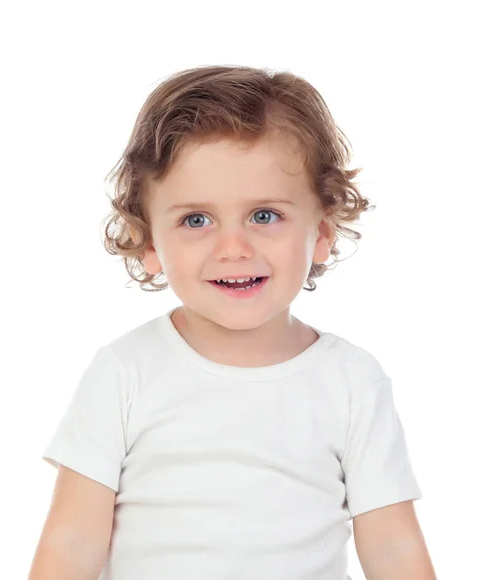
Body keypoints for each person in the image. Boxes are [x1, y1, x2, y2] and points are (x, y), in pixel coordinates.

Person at [28, 65, 437, 580]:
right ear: (150, 243)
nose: (234, 249)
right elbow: (71, 544)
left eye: (264, 215)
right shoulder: (124, 372)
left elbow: (393, 548)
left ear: (322, 233)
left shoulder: (353, 381)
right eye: (196, 220)